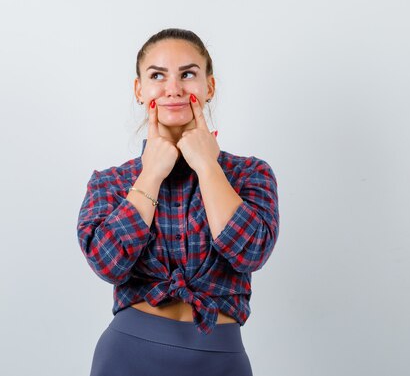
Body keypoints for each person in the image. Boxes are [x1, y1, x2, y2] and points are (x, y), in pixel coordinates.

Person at [76, 28, 280, 376]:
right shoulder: (111, 182)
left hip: (220, 359)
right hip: (128, 355)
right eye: (158, 75)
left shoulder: (249, 173)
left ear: (209, 87)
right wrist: (151, 174)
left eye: (188, 74)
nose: (174, 89)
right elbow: (107, 264)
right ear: (140, 89)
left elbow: (250, 253)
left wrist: (206, 165)